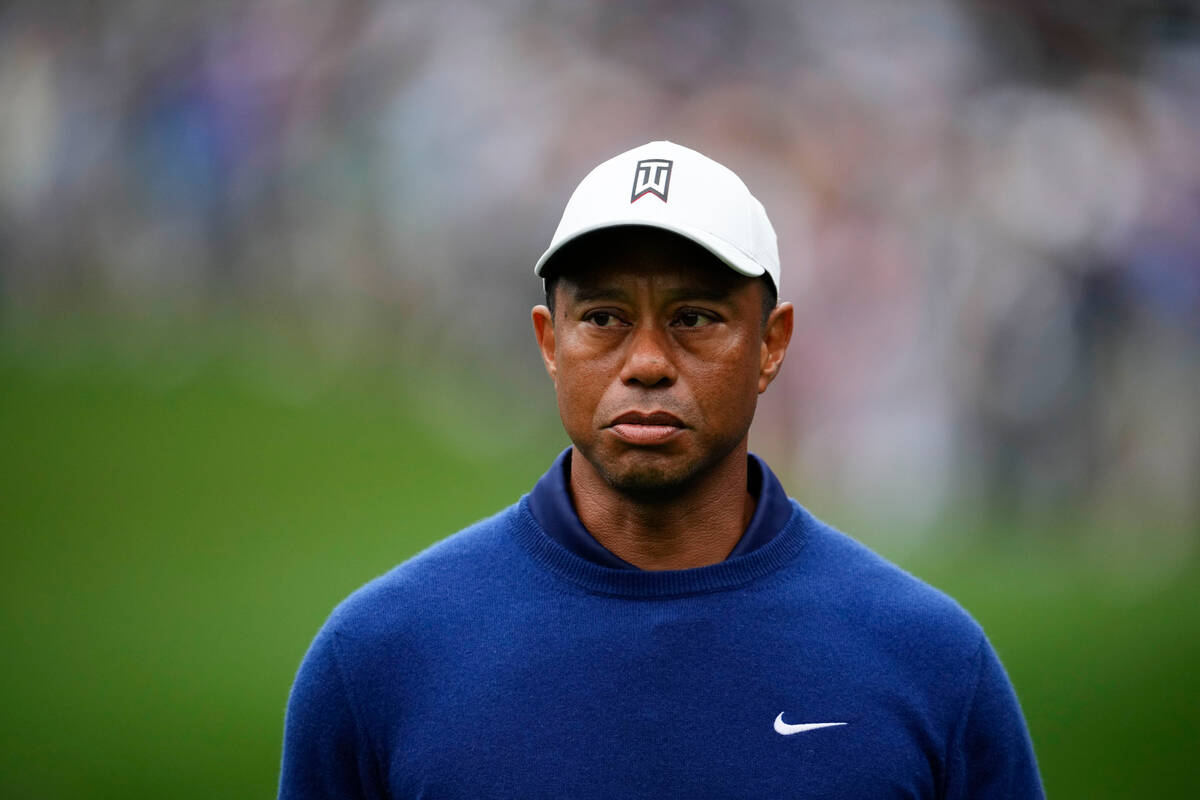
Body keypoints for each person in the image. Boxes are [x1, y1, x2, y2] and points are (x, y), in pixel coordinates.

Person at [278, 141, 1043, 798]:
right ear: (550, 343)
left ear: (771, 344)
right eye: (604, 318)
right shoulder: (379, 660)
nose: (645, 363)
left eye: (695, 319)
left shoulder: (932, 665)